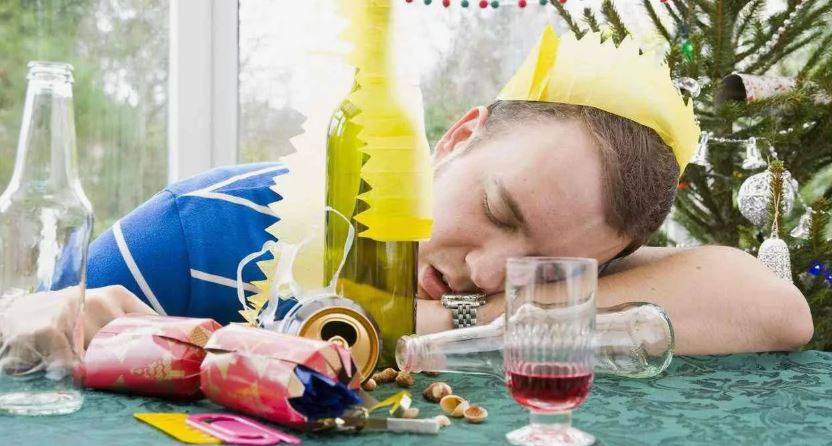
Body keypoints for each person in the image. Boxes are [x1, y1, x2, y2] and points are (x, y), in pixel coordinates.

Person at [0, 28, 813, 370]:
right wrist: (37, 317)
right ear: (458, 137)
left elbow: (774, 308)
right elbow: (26, 334)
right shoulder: (200, 229)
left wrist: (431, 321)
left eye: (546, 265)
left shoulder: (551, 278)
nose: (488, 272)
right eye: (498, 211)